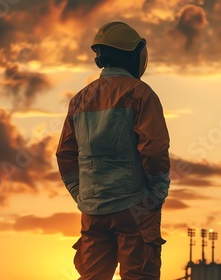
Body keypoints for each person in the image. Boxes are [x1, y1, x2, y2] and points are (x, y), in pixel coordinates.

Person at [56, 21, 171, 280]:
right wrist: (158, 192)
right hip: (135, 208)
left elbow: (64, 154)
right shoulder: (140, 94)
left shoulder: (80, 100)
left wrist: (80, 195)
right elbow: (153, 149)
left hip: (93, 212)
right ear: (133, 55)